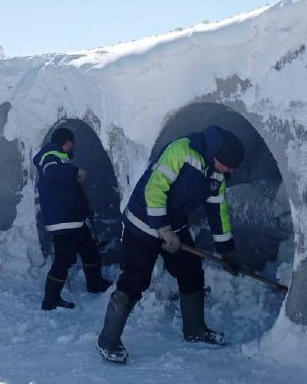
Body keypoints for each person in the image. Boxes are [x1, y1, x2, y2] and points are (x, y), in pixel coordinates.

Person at [96, 125, 245, 364]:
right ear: (216, 154)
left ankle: (195, 330)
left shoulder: (217, 174)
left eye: (230, 169)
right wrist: (162, 229)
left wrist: (227, 253)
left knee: (191, 271)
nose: (227, 171)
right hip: (143, 222)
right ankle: (108, 340)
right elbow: (154, 189)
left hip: (174, 225)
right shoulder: (181, 151)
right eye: (225, 165)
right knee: (135, 279)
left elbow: (219, 213)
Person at [33, 127, 112, 311]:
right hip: (61, 219)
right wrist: (75, 172)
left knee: (89, 250)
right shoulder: (50, 155)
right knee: (64, 257)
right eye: (73, 144)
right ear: (67, 143)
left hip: (73, 218)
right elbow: (52, 172)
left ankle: (95, 284)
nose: (74, 148)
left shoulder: (60, 157)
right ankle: (50, 299)